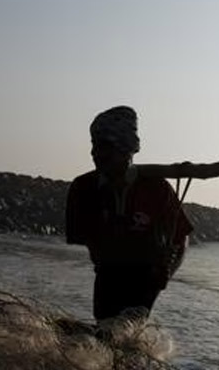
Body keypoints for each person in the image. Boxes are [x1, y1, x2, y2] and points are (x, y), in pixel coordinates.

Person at [66, 105, 193, 321]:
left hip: (147, 277)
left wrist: (166, 273)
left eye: (105, 146)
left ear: (126, 149)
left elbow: (182, 237)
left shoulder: (157, 188)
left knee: (128, 335)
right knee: (107, 332)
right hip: (107, 274)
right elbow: (83, 238)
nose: (95, 153)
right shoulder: (83, 188)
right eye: (94, 145)